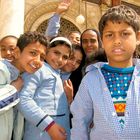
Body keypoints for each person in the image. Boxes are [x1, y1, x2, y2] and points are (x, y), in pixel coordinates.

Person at [70, 4, 140, 140]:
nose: (117, 41)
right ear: (102, 40)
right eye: (109, 35)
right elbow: (80, 123)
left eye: (125, 34)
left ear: (137, 37)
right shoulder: (90, 79)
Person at [18, 37, 73, 140]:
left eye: (65, 57)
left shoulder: (56, 73)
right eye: (56, 53)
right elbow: (23, 99)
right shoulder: (39, 69)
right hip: (40, 134)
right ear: (46, 52)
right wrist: (50, 126)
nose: (60, 59)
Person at [1, 31, 49, 140]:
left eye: (42, 57)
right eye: (33, 53)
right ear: (17, 52)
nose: (38, 61)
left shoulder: (24, 76)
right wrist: (13, 90)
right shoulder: (2, 70)